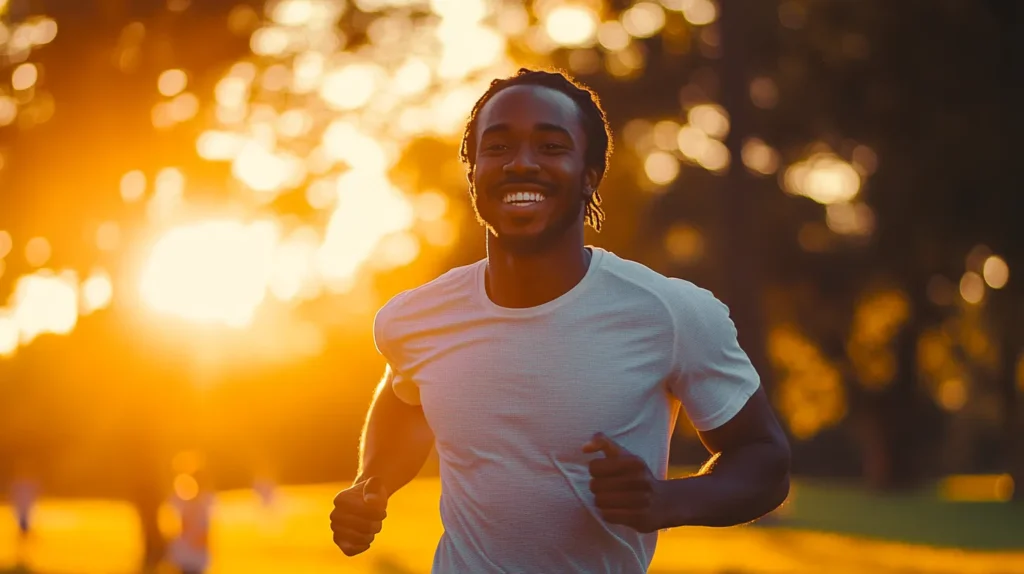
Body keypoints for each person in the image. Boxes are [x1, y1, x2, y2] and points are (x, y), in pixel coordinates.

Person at [330, 68, 792, 573]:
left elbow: (764, 460)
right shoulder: (415, 318)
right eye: (498, 147)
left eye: (551, 147)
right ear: (474, 171)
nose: (520, 164)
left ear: (590, 174)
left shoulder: (672, 313)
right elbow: (406, 398)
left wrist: (666, 502)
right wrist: (370, 484)